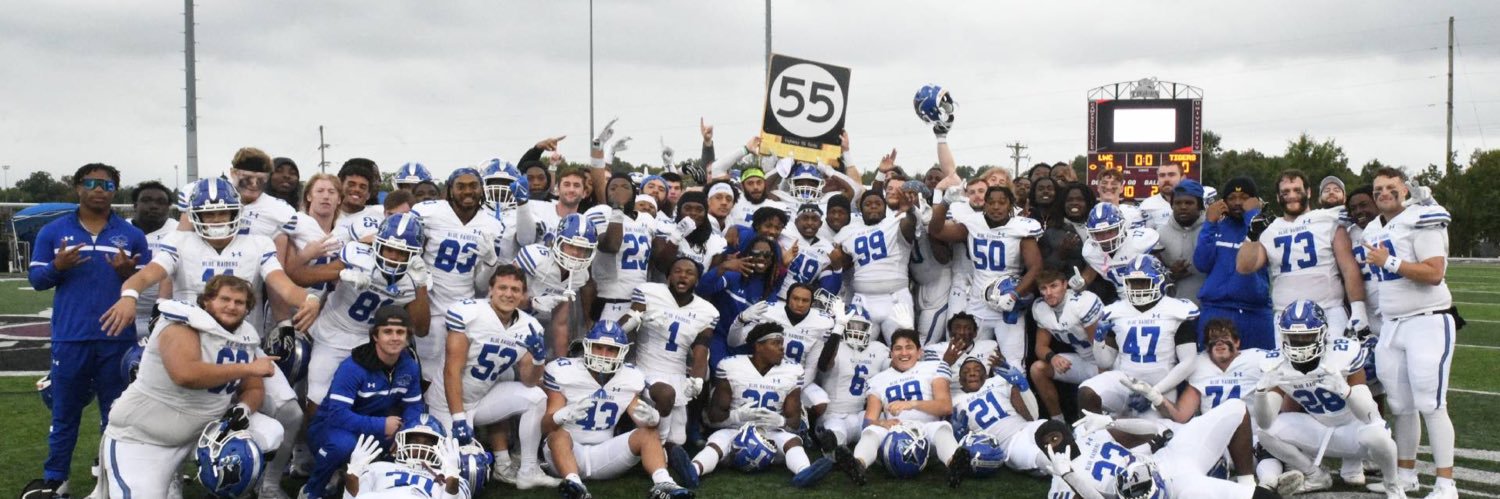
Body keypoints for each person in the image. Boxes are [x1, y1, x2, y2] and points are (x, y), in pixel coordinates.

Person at [101, 177, 320, 499]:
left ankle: (269, 483)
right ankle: (170, 473)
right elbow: (149, 273)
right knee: (176, 410)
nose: (217, 221)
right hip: (190, 341)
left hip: (242, 343)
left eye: (223, 214)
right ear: (196, 215)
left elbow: (282, 284)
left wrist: (309, 299)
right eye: (209, 215)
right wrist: (130, 293)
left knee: (289, 412)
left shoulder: (257, 244)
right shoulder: (180, 241)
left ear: (237, 212)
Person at [22, 164, 150, 498]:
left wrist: (127, 272)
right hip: (71, 336)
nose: (99, 189)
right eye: (91, 183)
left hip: (118, 339)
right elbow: (37, 281)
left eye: (107, 185)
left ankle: (110, 479)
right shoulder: (53, 231)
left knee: (116, 415)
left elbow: (146, 284)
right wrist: (57, 267)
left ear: (114, 191)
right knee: (64, 412)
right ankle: (56, 479)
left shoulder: (132, 235)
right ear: (78, 188)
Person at [91, 276, 283, 499]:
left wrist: (244, 409)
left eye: (239, 302)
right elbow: (186, 375)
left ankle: (223, 493)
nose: (232, 306)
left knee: (270, 433)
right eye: (225, 299)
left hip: (203, 430)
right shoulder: (182, 323)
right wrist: (248, 368)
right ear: (206, 301)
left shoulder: (246, 334)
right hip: (145, 435)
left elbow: (254, 388)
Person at [1361, 168, 1458, 498]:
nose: (1383, 193)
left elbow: (1434, 273)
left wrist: (1390, 263)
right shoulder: (1373, 228)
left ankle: (1446, 484)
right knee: (1401, 405)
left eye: (1390, 187)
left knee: (1431, 403)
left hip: (1427, 321)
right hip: (1392, 324)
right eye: (1377, 189)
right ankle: (1406, 475)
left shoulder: (1423, 218)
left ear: (1405, 190)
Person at [1252, 301, 1404, 499]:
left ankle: (1393, 486)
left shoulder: (1343, 353)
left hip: (1354, 431)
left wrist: (1346, 391)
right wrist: (1262, 393)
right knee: (1265, 433)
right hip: (1319, 428)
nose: (1300, 343)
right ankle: (1315, 475)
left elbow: (1370, 416)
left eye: (1307, 335)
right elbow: (1265, 421)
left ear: (1323, 333)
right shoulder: (1277, 362)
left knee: (1377, 433)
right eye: (1294, 337)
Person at [429, 265, 557, 489]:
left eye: (515, 289)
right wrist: (459, 418)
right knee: (454, 474)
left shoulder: (530, 326)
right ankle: (499, 462)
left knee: (536, 396)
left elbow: (528, 380)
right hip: (446, 404)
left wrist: (538, 359)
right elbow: (452, 370)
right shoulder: (469, 314)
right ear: (490, 289)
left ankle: (528, 471)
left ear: (523, 294)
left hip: (480, 400)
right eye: (503, 288)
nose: (508, 294)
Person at [542, 321, 697, 499]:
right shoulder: (564, 371)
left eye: (611, 350)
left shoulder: (629, 377)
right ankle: (574, 486)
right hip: (566, 452)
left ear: (622, 352)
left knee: (647, 433)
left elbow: (643, 421)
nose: (604, 355)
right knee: (558, 435)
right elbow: (545, 427)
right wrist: (562, 416)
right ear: (587, 347)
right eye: (599, 347)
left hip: (604, 455)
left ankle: (664, 483)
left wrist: (653, 418)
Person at [297, 213, 429, 413]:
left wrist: (420, 286)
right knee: (318, 396)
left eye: (402, 252)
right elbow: (302, 277)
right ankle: (313, 440)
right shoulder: (358, 256)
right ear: (378, 243)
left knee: (367, 403)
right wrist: (340, 273)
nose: (394, 257)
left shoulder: (415, 276)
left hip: (373, 342)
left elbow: (421, 329)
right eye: (390, 249)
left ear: (414, 255)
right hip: (333, 332)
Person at [689, 322, 838, 488]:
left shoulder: (792, 371)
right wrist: (737, 416)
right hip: (736, 429)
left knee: (792, 441)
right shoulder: (731, 366)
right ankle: (694, 470)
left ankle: (804, 473)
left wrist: (780, 421)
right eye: (775, 343)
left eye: (782, 343)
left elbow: (794, 422)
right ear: (758, 346)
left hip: (771, 432)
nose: (782, 348)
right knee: (718, 440)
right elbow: (714, 416)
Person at [301, 305, 428, 499]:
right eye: (387, 332)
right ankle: (312, 490)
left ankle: (387, 489)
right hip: (331, 428)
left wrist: (406, 431)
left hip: (375, 428)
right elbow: (337, 414)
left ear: (408, 337)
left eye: (400, 332)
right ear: (375, 336)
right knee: (343, 445)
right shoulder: (353, 366)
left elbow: (415, 405)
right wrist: (380, 425)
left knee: (418, 439)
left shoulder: (408, 365)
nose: (394, 337)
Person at [1039, 401, 1274, 499]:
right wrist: (1068, 476)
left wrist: (1111, 422)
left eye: (1056, 437)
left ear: (1068, 432)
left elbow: (1151, 430)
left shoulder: (1087, 435)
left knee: (1235, 408)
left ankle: (1247, 482)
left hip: (1168, 461)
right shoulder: (1061, 482)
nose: (1054, 445)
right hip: (1166, 490)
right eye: (1047, 443)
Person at [1236, 169, 1368, 337]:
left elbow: (1349, 268)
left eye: (1297, 190)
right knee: (1287, 364)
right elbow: (1244, 267)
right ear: (1277, 197)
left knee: (1338, 363)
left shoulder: (1327, 220)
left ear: (1309, 192)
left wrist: (1358, 309)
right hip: (1285, 315)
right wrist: (1252, 235)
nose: (1292, 195)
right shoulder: (1270, 229)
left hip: (1328, 311)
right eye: (1285, 192)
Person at [409, 168, 506, 382]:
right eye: (460, 186)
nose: (467, 191)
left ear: (482, 189)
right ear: (450, 190)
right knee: (427, 373)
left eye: (473, 185)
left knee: (459, 371)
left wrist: (490, 261)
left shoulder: (492, 225)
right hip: (430, 304)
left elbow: (481, 285)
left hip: (465, 307)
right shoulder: (429, 211)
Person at [929, 179, 1042, 363]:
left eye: (1002, 202)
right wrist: (945, 203)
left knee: (1013, 363)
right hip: (978, 304)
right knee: (972, 360)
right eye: (991, 202)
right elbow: (936, 231)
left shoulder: (1021, 227)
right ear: (985, 204)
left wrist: (1014, 294)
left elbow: (1036, 267)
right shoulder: (973, 223)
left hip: (1008, 304)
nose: (996, 207)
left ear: (1010, 205)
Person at [840, 329, 967, 487]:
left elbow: (945, 407)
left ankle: (954, 465)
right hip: (895, 433)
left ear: (919, 352)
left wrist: (912, 404)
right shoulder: (878, 380)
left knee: (942, 427)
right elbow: (868, 421)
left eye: (909, 347)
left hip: (926, 431)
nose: (904, 353)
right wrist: (882, 423)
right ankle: (858, 465)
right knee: (871, 432)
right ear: (891, 353)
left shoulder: (934, 367)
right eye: (898, 348)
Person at [1079, 255, 1199, 419]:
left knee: (1150, 437)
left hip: (1160, 384)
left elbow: (1189, 362)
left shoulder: (1176, 311)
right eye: (1133, 283)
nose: (1138, 289)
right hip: (1124, 380)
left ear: (1159, 282)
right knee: (1087, 392)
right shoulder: (1116, 311)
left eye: (1143, 282)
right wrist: (1098, 340)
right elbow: (1104, 362)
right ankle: (1093, 436)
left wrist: (1153, 392)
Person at [621, 257, 720, 448]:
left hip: (676, 372)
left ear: (697, 280)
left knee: (679, 439)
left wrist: (697, 379)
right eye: (677, 271)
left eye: (689, 273)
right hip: (646, 369)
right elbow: (624, 326)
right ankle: (658, 450)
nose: (683, 275)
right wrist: (635, 318)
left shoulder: (707, 311)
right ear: (668, 277)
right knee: (666, 395)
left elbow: (701, 350)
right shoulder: (649, 293)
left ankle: (656, 444)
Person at [1194, 177, 1274, 349]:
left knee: (1260, 371)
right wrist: (1210, 223)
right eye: (1231, 198)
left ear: (1254, 201)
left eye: (1244, 197)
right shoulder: (1216, 227)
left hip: (1255, 313)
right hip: (1216, 310)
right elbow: (1202, 263)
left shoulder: (1268, 228)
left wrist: (1253, 215)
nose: (1238, 203)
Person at [835, 188, 919, 343]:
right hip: (862, 300)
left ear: (885, 206)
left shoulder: (895, 222)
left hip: (895, 298)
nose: (873, 206)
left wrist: (910, 211)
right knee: (855, 350)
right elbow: (842, 263)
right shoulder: (849, 231)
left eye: (878, 203)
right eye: (868, 204)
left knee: (903, 347)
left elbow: (909, 227)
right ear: (861, 209)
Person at [517, 213, 598, 356]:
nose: (576, 253)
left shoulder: (580, 276)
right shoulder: (535, 258)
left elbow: (560, 324)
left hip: (534, 328)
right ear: (557, 241)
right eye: (571, 245)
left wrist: (561, 361)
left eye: (583, 248)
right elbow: (501, 296)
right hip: (507, 321)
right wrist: (531, 303)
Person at [1028, 269, 1104, 420]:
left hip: (1108, 362)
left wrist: (1103, 380)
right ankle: (1059, 423)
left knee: (1091, 392)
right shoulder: (1040, 308)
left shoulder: (1082, 303)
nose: (1048, 293)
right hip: (1085, 361)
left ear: (1065, 285)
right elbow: (1040, 347)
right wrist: (1053, 358)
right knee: (1038, 369)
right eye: (1043, 288)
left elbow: (1101, 348)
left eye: (1053, 286)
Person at [951, 356, 1045, 477]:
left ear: (986, 376)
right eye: (966, 371)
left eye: (978, 370)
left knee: (1056, 431)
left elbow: (1032, 417)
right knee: (1048, 458)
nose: (972, 373)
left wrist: (1022, 386)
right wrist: (959, 437)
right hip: (1010, 444)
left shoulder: (998, 383)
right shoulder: (955, 401)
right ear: (960, 381)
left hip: (1029, 427)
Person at [814, 305, 889, 449]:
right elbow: (824, 365)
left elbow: (895, 370)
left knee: (886, 429)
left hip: (863, 414)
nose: (857, 330)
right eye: (852, 325)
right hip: (833, 414)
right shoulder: (834, 347)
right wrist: (838, 328)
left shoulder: (878, 349)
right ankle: (837, 449)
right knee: (836, 437)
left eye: (861, 326)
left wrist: (908, 330)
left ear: (869, 328)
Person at [339, 419, 469, 498]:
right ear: (402, 442)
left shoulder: (451, 478)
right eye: (415, 441)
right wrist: (352, 475)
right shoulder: (377, 467)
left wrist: (452, 477)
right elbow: (353, 497)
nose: (421, 447)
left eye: (428, 443)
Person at [129, 181, 178, 335]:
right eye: (146, 200)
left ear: (168, 208)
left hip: (168, 313)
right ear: (135, 205)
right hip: (126, 311)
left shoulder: (179, 232)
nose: (153, 206)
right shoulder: (119, 230)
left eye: (160, 202)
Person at [1159, 179, 1206, 304]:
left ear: (1200, 205)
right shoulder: (1159, 235)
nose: (1183, 207)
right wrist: (1170, 275)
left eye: (1189, 203)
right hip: (1173, 312)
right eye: (1178, 203)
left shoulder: (1213, 231)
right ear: (1172, 205)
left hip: (1208, 308)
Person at [1137, 162, 1183, 229]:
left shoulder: (1194, 203)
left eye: (1171, 175)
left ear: (1182, 178)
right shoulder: (1147, 205)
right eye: (1162, 175)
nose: (1166, 179)